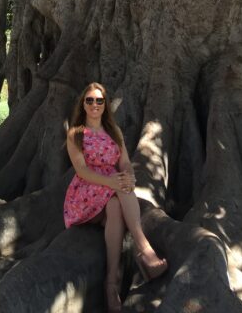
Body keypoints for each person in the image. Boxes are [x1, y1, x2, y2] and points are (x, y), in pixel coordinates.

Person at [64, 82, 168, 312]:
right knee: (121, 187)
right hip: (86, 193)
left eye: (99, 101)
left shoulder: (114, 132)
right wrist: (114, 181)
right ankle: (145, 249)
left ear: (105, 105)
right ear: (83, 104)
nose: (94, 105)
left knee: (115, 205)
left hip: (113, 192)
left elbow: (125, 163)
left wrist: (129, 176)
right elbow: (82, 171)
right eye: (89, 100)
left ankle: (111, 284)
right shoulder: (76, 134)